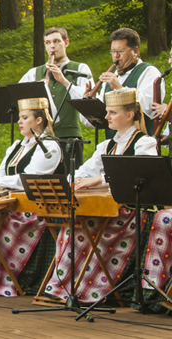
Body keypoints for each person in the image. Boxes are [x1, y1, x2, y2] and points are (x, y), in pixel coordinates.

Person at [43, 88, 156, 303]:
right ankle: (65, 287)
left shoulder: (145, 143)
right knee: (71, 226)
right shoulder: (107, 145)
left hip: (131, 212)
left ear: (130, 115)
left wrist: (100, 180)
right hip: (106, 209)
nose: (106, 117)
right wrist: (72, 181)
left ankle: (91, 291)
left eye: (112, 112)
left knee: (81, 229)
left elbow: (141, 176)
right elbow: (84, 171)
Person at [0, 97, 62, 296]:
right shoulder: (18, 146)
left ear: (39, 120)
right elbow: (1, 173)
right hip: (12, 206)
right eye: (20, 117)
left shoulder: (49, 147)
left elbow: (29, 179)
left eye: (25, 117)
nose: (19, 121)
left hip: (34, 210)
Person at [20, 27, 92, 167]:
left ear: (66, 43)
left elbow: (87, 101)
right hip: (40, 140)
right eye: (48, 43)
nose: (52, 46)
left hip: (69, 138)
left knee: (70, 178)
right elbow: (18, 99)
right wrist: (37, 89)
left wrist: (64, 81)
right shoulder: (34, 73)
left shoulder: (80, 68)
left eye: (56, 41)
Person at [83, 28, 162, 140]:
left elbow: (150, 108)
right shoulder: (110, 79)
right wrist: (88, 105)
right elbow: (96, 122)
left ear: (135, 51)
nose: (116, 56)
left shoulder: (149, 72)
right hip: (114, 145)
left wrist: (119, 88)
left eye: (120, 51)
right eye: (113, 51)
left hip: (141, 144)